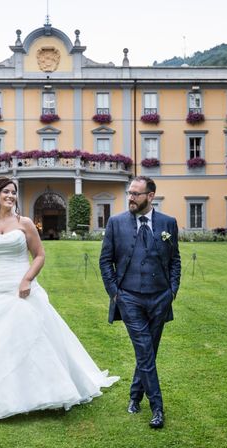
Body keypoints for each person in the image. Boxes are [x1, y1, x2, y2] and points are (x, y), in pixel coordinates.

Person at [0, 176, 119, 421]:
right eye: (6, 192)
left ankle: (35, 390)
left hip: (20, 288)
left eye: (13, 192)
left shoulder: (25, 223)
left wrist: (27, 279)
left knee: (27, 337)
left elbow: (39, 255)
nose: (11, 196)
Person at [99, 176, 181, 429]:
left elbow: (175, 259)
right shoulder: (116, 223)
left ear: (151, 196)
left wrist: (172, 291)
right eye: (129, 193)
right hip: (130, 297)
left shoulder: (168, 223)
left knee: (148, 352)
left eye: (136, 193)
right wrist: (115, 293)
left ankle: (135, 395)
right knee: (145, 350)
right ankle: (157, 407)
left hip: (160, 298)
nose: (130, 197)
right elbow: (105, 261)